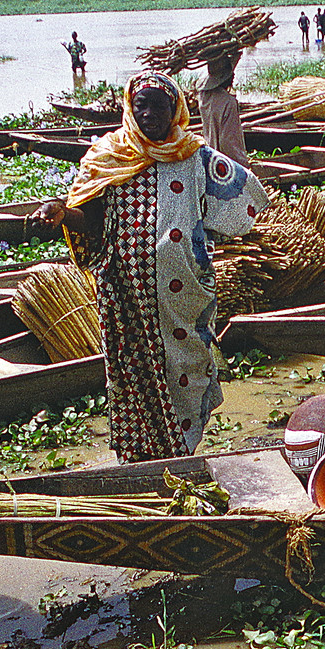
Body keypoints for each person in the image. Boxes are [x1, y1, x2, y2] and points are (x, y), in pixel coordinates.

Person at [26, 72, 268, 462]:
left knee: (185, 367)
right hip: (125, 294)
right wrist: (60, 213)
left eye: (160, 106)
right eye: (142, 106)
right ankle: (142, 457)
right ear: (129, 109)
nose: (150, 114)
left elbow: (244, 195)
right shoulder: (107, 157)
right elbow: (89, 220)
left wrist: (211, 231)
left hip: (183, 294)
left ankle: (181, 450)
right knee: (131, 370)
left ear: (175, 110)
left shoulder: (193, 156)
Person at [198, 48, 249, 165]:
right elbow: (229, 141)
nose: (234, 76)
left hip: (209, 155)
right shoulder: (228, 102)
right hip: (225, 162)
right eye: (231, 74)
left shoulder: (203, 97)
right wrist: (243, 165)